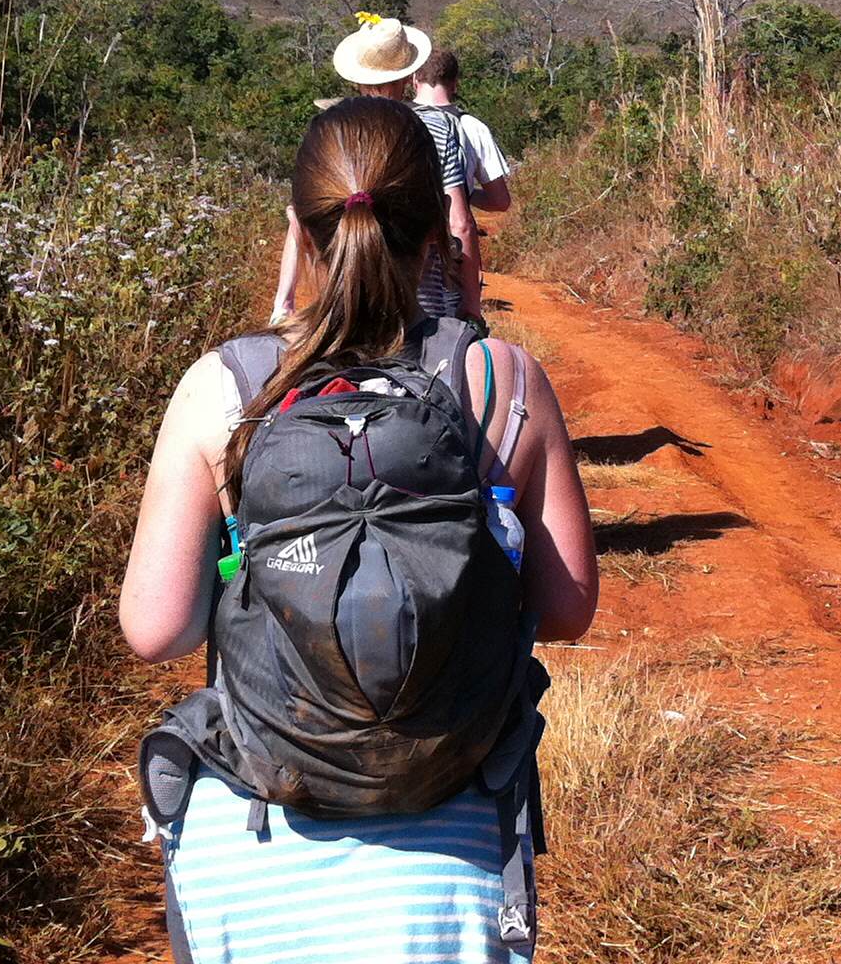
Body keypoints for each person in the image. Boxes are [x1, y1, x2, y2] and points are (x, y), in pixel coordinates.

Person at [121, 98, 598, 963]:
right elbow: (565, 611)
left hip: (260, 838)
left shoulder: (225, 387)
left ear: (301, 233)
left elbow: (156, 629)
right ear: (437, 235)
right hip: (449, 856)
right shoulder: (500, 379)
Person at [279, 15, 485, 381]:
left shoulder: (334, 131)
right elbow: (460, 222)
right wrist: (471, 305)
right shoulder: (438, 127)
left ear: (356, 77)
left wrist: (285, 303)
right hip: (429, 315)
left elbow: (300, 221)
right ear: (411, 76)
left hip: (348, 311)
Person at [412, 48, 512, 217]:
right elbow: (500, 201)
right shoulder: (473, 127)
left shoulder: (395, 120)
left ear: (414, 79)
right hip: (452, 236)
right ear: (455, 83)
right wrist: (465, 192)